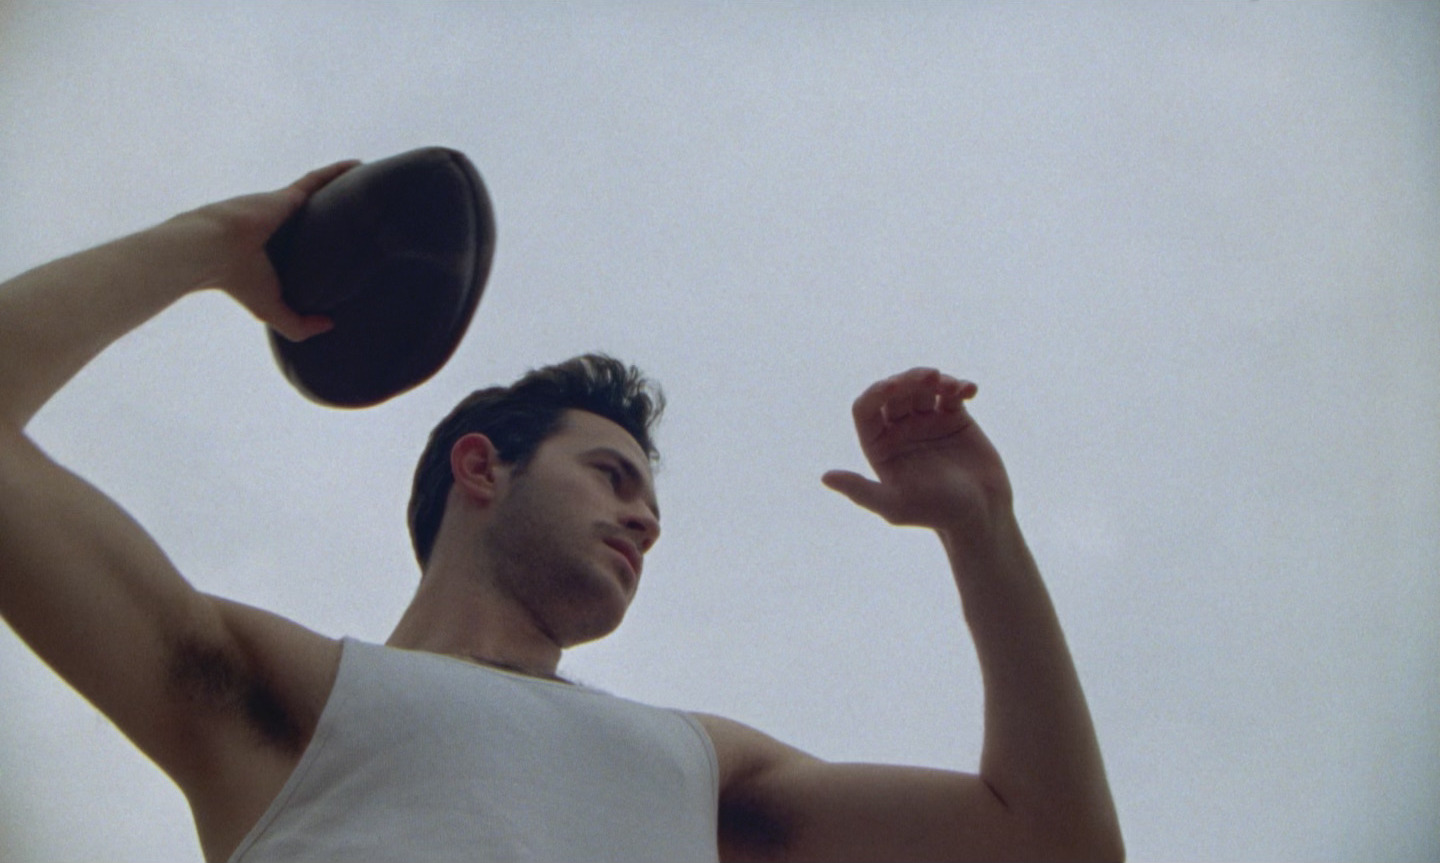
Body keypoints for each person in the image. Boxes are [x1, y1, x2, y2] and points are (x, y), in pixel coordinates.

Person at [0, 162, 1123, 862]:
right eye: (612, 474)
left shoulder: (704, 768)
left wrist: (984, 531)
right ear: (483, 468)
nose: (647, 521)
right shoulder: (280, 698)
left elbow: (1057, 843)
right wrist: (210, 243)